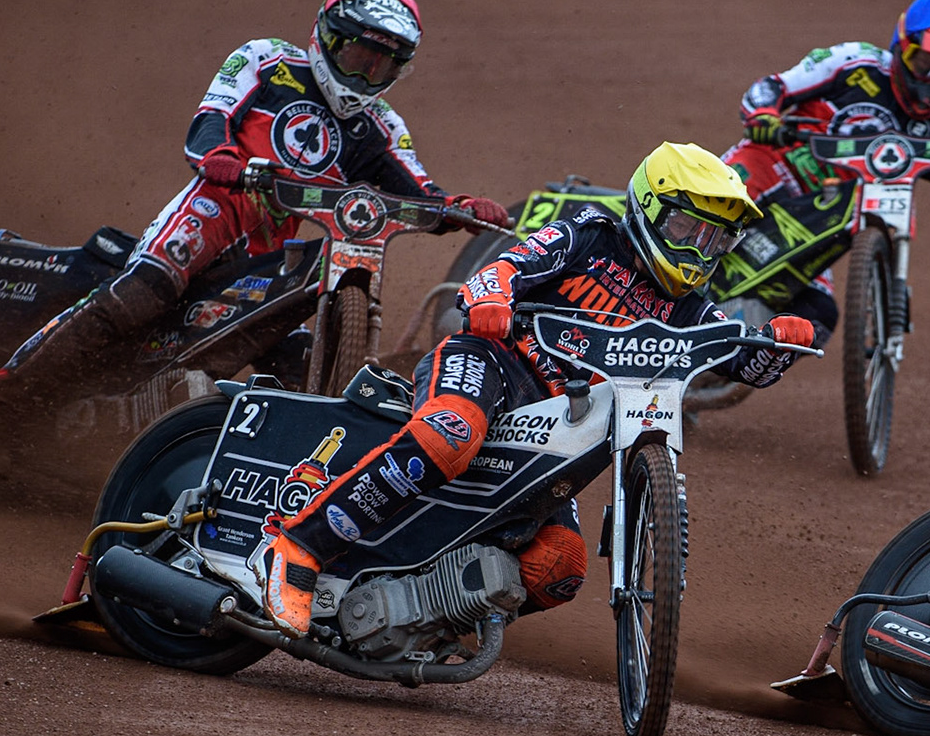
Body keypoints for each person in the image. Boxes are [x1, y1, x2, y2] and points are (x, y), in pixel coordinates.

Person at [254, 142, 818, 637]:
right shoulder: (588, 236)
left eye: (713, 239)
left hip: (558, 423)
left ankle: (431, 611)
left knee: (561, 568)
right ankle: (299, 547)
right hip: (494, 362)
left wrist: (776, 344)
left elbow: (744, 365)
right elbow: (497, 272)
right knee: (449, 435)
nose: (697, 250)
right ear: (649, 208)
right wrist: (493, 301)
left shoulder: (691, 307)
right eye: (686, 229)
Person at [0, 0, 512, 409]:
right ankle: (8, 390)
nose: (367, 76)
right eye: (358, 58)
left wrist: (459, 209)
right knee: (147, 288)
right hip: (218, 206)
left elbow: (418, 191)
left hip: (274, 246)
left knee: (293, 354)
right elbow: (210, 121)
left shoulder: (382, 126)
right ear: (326, 36)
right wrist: (223, 159)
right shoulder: (267, 61)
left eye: (384, 65)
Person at [719, 0, 930, 343]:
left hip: (821, 218)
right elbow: (770, 88)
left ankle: (737, 367)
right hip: (768, 171)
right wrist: (764, 116)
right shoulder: (855, 62)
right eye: (924, 65)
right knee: (705, 209)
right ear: (901, 44)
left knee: (819, 316)